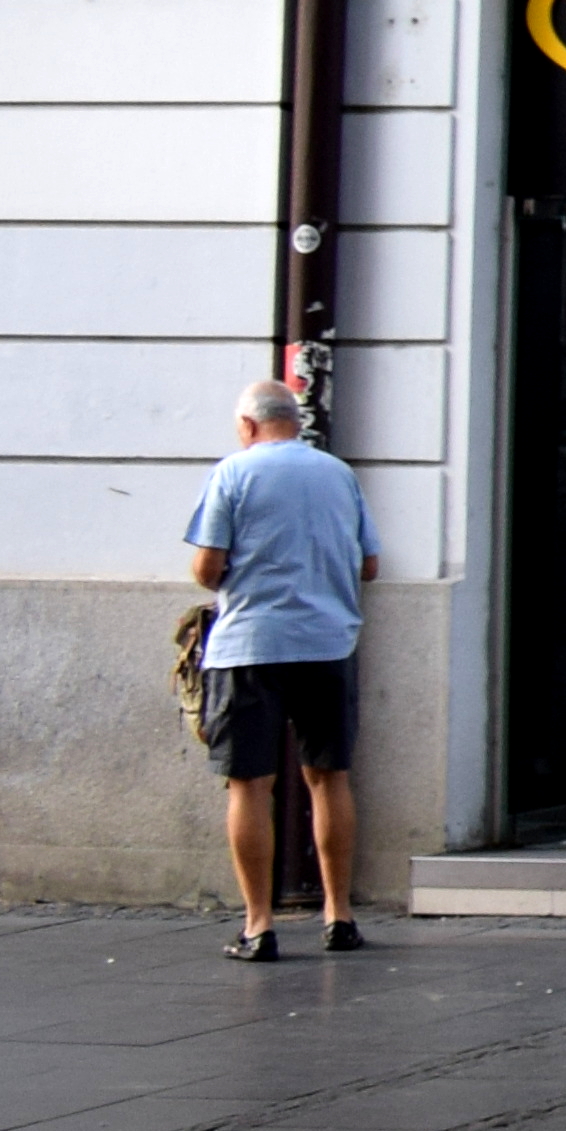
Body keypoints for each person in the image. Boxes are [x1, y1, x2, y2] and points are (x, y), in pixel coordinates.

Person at [181, 380, 375, 960]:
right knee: (329, 776)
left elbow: (206, 566)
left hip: (250, 646)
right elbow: (370, 564)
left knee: (249, 784)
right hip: (327, 642)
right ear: (297, 421)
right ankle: (339, 915)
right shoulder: (339, 475)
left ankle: (259, 924)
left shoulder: (233, 473)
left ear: (247, 425)